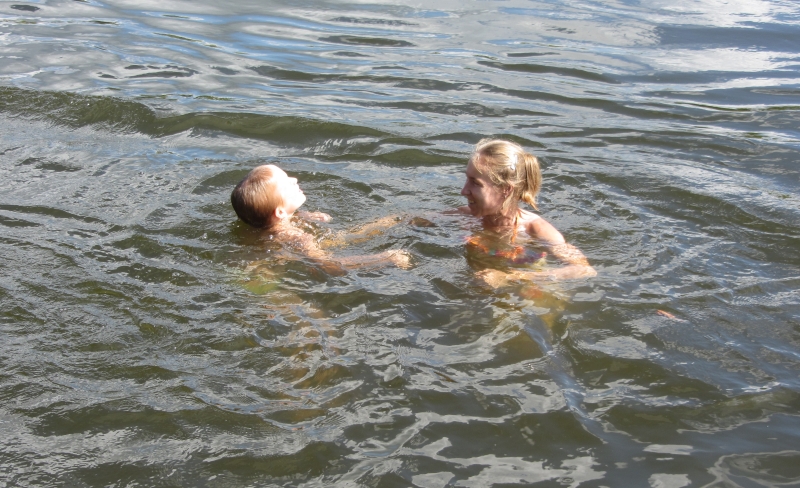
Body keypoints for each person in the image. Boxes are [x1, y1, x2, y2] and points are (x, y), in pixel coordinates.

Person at [457, 139, 596, 286]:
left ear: (506, 189)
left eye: (475, 183)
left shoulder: (535, 229)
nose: (464, 191)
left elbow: (584, 270)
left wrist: (510, 278)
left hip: (530, 294)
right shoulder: (464, 216)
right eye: (467, 179)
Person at [231, 164, 410, 271]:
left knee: (346, 237)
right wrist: (385, 258)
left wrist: (304, 216)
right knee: (344, 238)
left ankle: (398, 221)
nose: (294, 180)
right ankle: (402, 221)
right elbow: (331, 266)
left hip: (268, 260)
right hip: (274, 274)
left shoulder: (265, 224)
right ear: (279, 212)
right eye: (286, 184)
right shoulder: (296, 237)